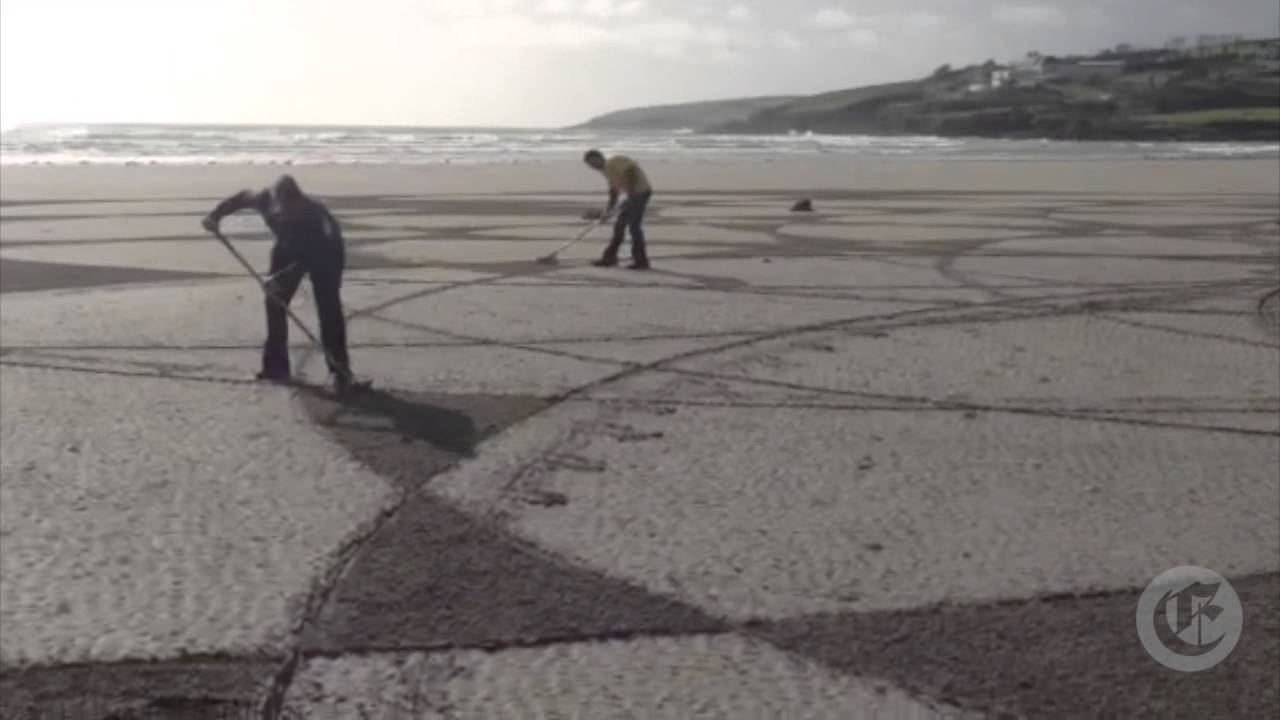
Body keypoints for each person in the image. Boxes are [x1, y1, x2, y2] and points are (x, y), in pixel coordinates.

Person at [201, 174, 361, 394]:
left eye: (292, 209)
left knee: (329, 307)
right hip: (287, 245)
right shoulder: (263, 199)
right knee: (274, 301)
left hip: (326, 252)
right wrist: (215, 216)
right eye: (283, 209)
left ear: (300, 202)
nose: (287, 213)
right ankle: (276, 367)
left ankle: (340, 372)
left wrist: (280, 278)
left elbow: (308, 257)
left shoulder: (313, 215)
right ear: (275, 203)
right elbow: (240, 198)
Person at [582, 149, 653, 270]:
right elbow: (613, 192)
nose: (593, 166)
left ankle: (641, 261)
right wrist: (608, 211)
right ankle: (610, 258)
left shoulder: (615, 161)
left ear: (600, 157)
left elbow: (631, 172)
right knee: (619, 226)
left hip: (640, 193)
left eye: (593, 161)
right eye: (590, 165)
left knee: (634, 227)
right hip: (632, 196)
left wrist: (631, 193)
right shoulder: (606, 171)